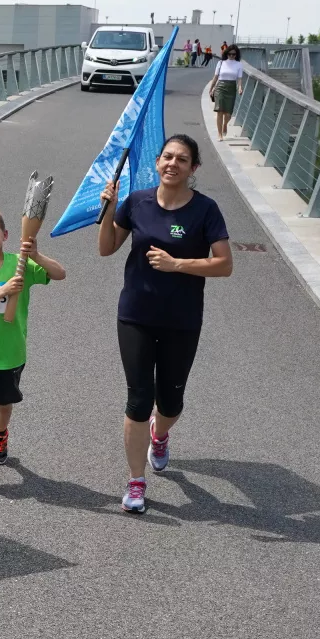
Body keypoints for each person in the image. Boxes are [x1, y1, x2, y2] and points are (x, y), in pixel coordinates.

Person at [97, 135, 233, 514]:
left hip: (182, 320)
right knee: (138, 399)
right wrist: (108, 209)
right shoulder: (137, 201)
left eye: (182, 159)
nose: (173, 163)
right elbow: (106, 248)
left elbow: (224, 264)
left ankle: (160, 434)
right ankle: (136, 482)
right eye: (168, 157)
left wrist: (179, 264)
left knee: (169, 402)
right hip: (135, 314)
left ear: (193, 169)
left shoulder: (206, 210)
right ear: (157, 162)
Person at [0, 207, 66, 495]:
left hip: (11, 351)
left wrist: (35, 256)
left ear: (5, 235)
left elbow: (60, 274)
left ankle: (0, 435)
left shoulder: (20, 264)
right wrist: (2, 290)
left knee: (4, 405)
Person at [208, 45, 245, 141]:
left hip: (231, 88)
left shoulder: (239, 64)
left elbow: (239, 79)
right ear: (226, 54)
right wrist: (211, 88)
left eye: (233, 54)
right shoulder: (221, 63)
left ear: (236, 55)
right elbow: (215, 77)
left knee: (228, 113)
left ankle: (225, 124)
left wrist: (240, 87)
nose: (231, 56)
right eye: (229, 54)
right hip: (220, 87)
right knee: (219, 111)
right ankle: (219, 134)